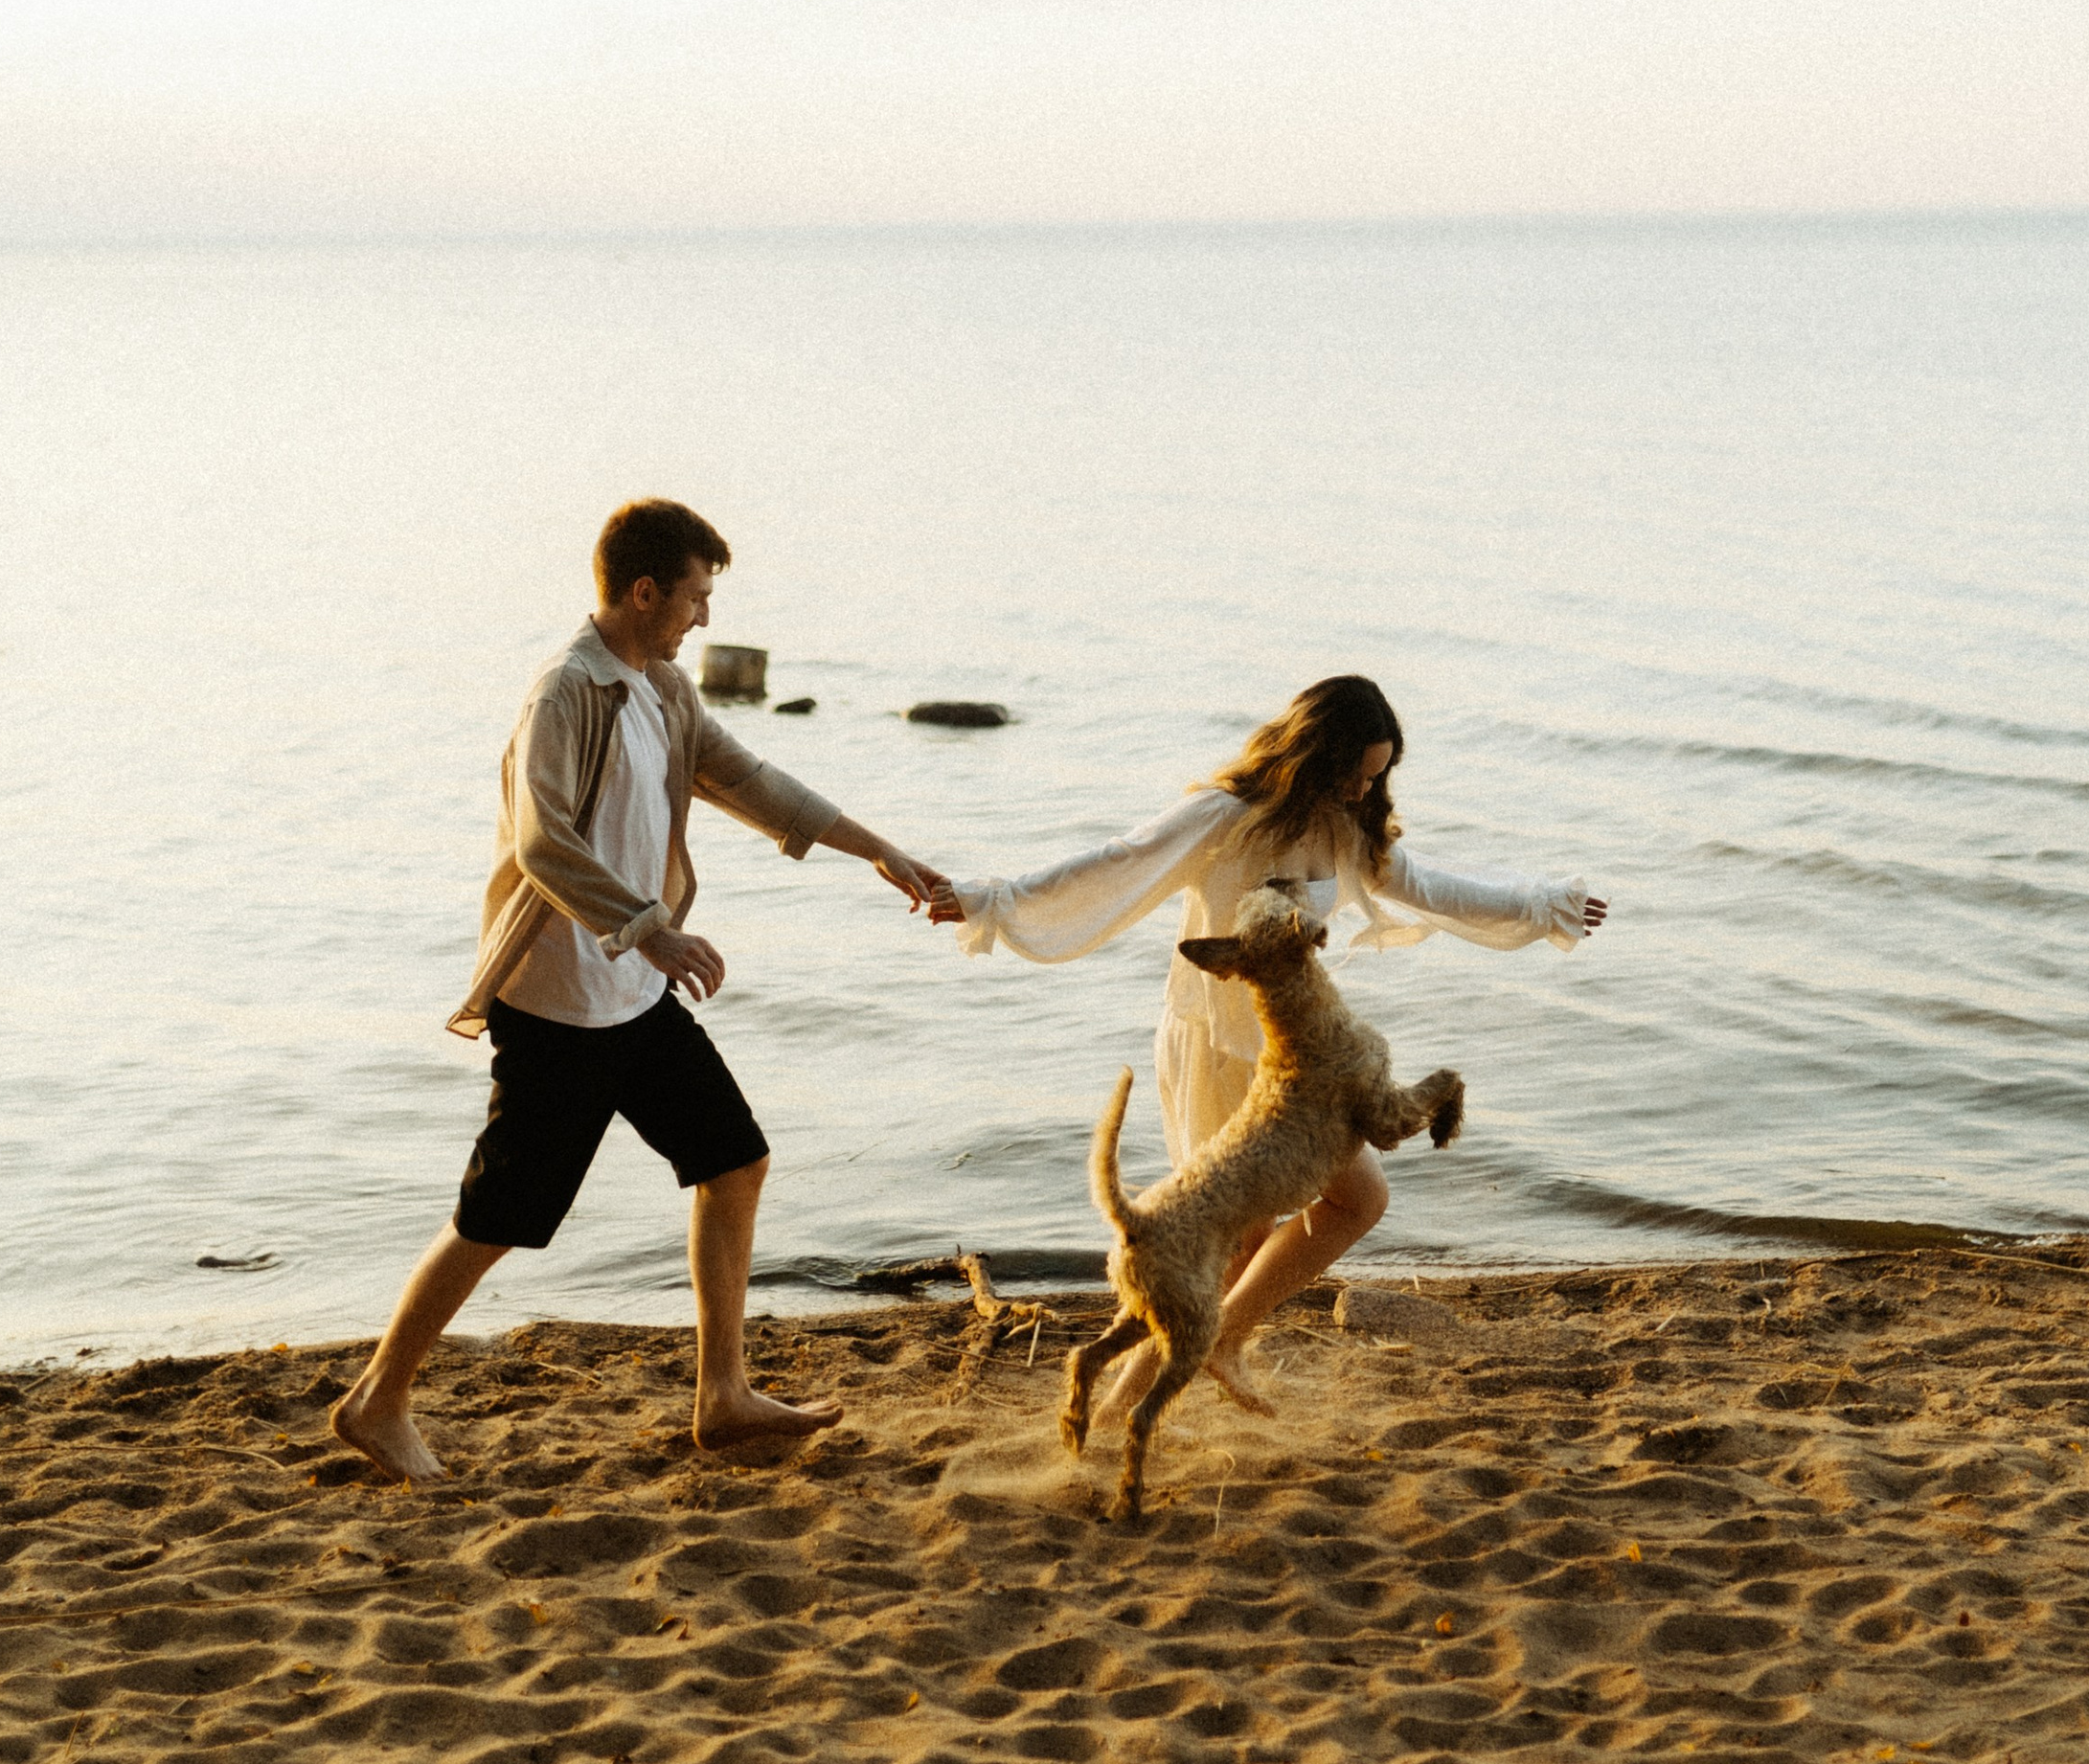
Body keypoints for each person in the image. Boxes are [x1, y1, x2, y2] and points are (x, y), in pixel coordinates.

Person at [333, 498, 949, 1483]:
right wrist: (650, 928)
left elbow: (751, 778)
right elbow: (542, 845)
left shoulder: (662, 688)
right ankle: (376, 1400)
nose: (704, 619)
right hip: (560, 1006)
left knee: (734, 1161)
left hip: (633, 994)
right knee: (498, 1219)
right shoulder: (567, 692)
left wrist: (881, 851)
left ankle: (723, 1394)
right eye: (697, 596)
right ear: (644, 589)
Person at [928, 675, 1605, 1400]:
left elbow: (1433, 888)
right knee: (1266, 1230)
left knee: (1284, 1227)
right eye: (1352, 771)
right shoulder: (1224, 816)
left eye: (1375, 776)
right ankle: (1160, 1376)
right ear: (1312, 752)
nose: (1360, 788)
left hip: (1294, 1064)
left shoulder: (1348, 827)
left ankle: (1210, 1344)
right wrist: (989, 900)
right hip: (1219, 1052)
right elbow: (1117, 862)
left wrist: (1542, 906)